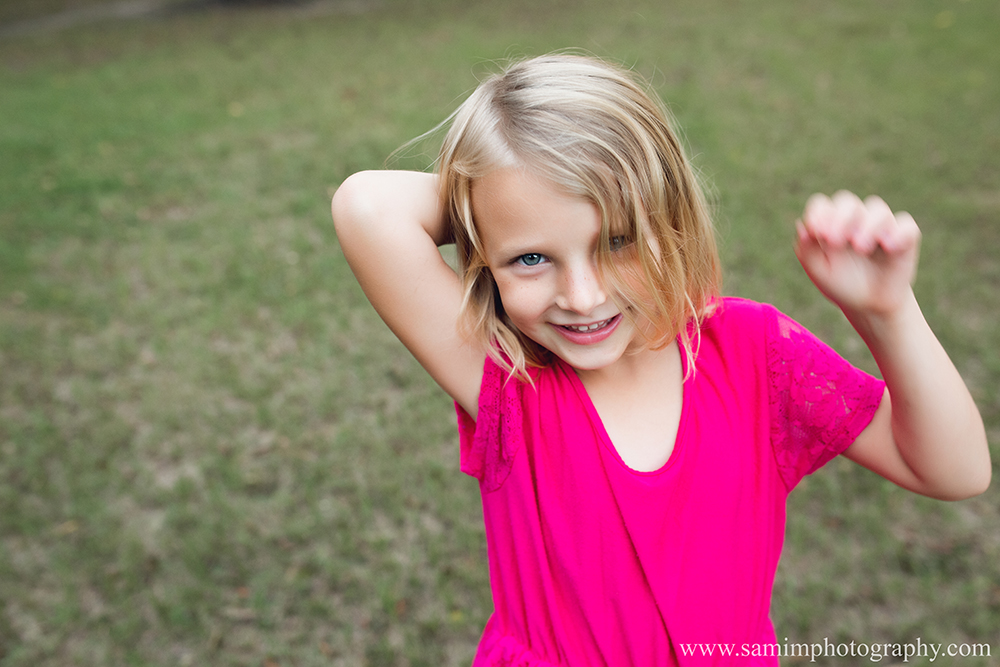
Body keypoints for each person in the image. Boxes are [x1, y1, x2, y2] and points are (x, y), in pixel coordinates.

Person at [331, 54, 990, 665]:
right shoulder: (512, 380)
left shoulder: (752, 354)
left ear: (670, 216)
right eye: (531, 257)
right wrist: (497, 194)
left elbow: (953, 470)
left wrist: (887, 311)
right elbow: (367, 207)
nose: (582, 296)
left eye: (618, 240)